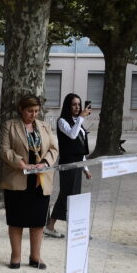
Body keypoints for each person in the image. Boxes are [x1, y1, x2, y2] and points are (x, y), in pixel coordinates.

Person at [0, 94, 59, 269]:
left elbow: (54, 148)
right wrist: (22, 164)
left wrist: (45, 163)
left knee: (38, 221)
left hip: (40, 178)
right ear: (21, 109)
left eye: (36, 111)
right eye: (30, 111)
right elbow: (4, 149)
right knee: (16, 220)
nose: (33, 115)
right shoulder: (9, 126)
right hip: (18, 177)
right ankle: (15, 256)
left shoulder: (45, 126)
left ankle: (35, 257)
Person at [45, 93, 91, 238]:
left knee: (72, 195)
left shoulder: (78, 121)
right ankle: (59, 227)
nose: (77, 107)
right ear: (68, 105)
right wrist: (81, 118)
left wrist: (86, 168)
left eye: (79, 104)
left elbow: (80, 146)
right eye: (74, 104)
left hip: (77, 163)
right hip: (67, 163)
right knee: (68, 194)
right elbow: (72, 135)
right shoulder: (62, 121)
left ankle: (55, 227)